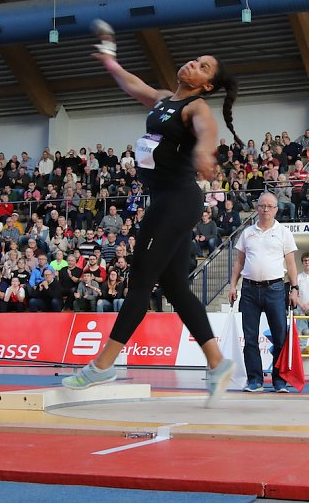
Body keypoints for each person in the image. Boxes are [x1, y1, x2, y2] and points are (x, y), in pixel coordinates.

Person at [62, 38, 236, 408]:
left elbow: (207, 132)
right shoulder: (163, 100)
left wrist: (206, 153)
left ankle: (103, 365)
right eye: (196, 58)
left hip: (177, 201)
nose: (193, 64)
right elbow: (133, 85)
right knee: (174, 286)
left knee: (140, 282)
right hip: (166, 202)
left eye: (204, 67)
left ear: (206, 85)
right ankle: (218, 363)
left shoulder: (198, 106)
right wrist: (111, 62)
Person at [229, 192, 299, 393]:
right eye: (262, 206)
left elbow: (291, 263)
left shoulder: (284, 232)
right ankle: (255, 380)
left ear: (276, 209)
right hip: (249, 290)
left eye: (269, 206)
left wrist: (295, 288)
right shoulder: (247, 233)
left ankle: (279, 381)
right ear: (257, 208)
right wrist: (233, 285)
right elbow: (239, 262)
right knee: (250, 338)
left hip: (275, 289)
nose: (265, 209)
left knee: (279, 337)